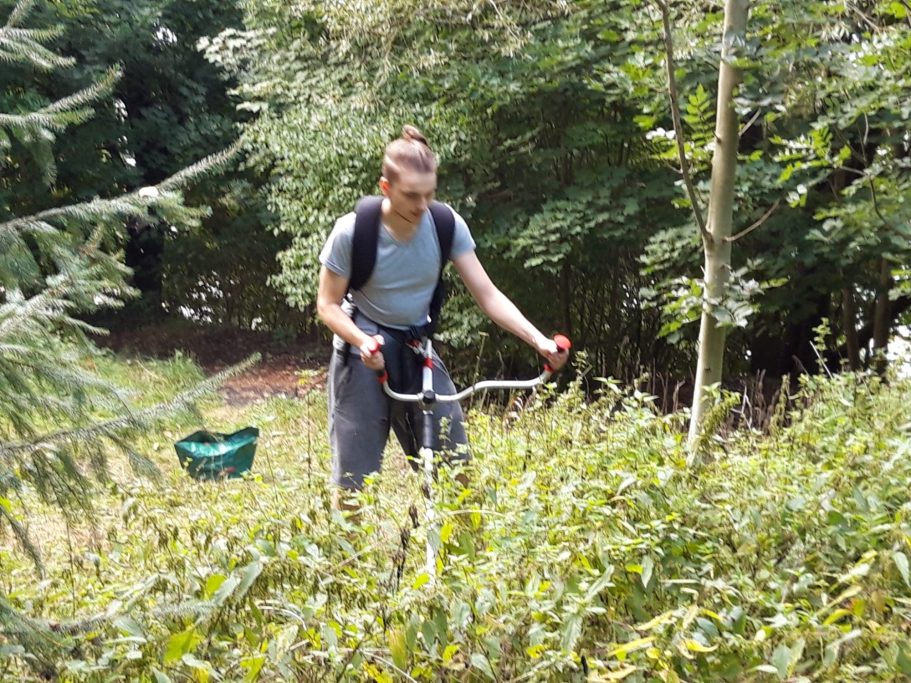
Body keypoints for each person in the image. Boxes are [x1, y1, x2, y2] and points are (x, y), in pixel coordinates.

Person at [316, 125, 568, 509]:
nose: (422, 206)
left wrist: (539, 341)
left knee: (458, 472)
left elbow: (487, 294)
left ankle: (465, 563)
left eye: (430, 194)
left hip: (419, 350)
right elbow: (328, 305)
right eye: (411, 195)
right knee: (353, 485)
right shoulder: (352, 233)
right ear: (386, 187)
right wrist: (361, 341)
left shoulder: (445, 225)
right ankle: (352, 565)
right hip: (365, 350)